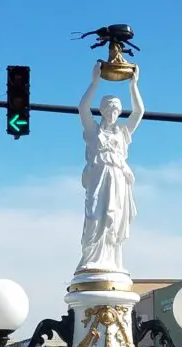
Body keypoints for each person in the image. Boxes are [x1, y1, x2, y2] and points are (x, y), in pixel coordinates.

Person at [75, 61, 145, 274]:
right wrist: (94, 82)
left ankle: (113, 263)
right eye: (109, 109)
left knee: (114, 222)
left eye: (116, 109)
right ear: (103, 111)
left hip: (118, 180)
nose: (113, 113)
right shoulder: (93, 132)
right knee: (95, 217)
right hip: (99, 178)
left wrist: (134, 84)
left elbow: (139, 111)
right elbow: (83, 108)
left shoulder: (123, 134)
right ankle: (91, 259)